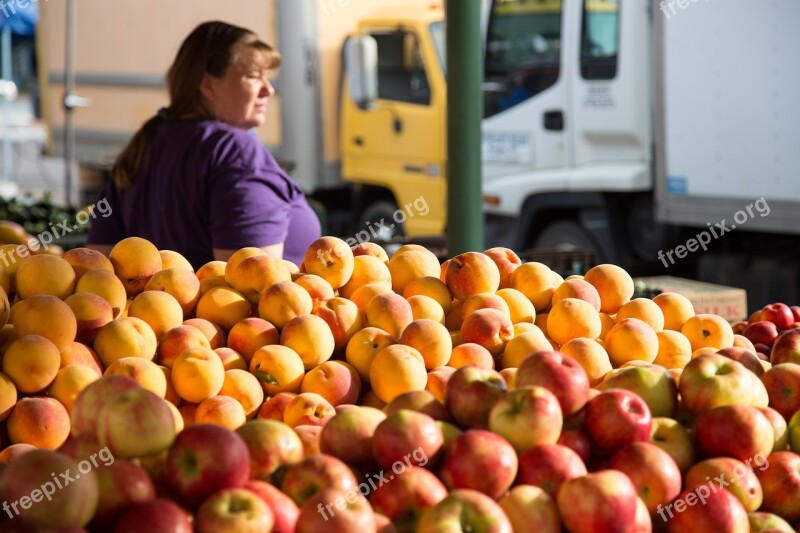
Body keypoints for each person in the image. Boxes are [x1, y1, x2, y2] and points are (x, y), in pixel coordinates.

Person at [86, 21, 321, 268]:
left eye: (268, 77)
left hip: (158, 306)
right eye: (253, 77)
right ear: (207, 84)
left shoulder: (145, 144)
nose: (268, 90)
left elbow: (98, 267)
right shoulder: (234, 151)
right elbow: (252, 283)